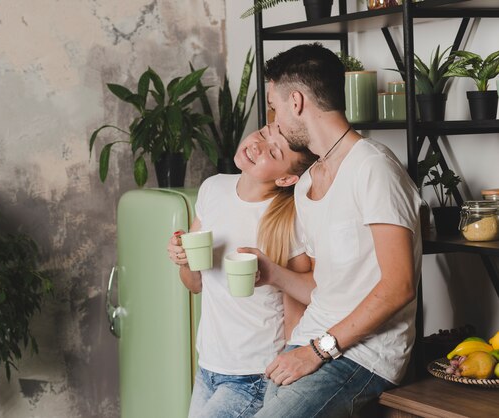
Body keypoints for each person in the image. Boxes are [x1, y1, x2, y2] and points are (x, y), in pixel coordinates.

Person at [238, 43, 423, 417]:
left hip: (362, 357)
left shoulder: (374, 168)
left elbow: (399, 286)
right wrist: (272, 273)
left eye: (274, 107)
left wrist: (318, 350)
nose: (272, 122)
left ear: (297, 102)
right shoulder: (307, 185)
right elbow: (328, 288)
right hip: (311, 343)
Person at [166, 126, 317, 418]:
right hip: (209, 364)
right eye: (263, 133)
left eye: (273, 152)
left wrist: (289, 366)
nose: (258, 145)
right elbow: (195, 284)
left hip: (254, 374)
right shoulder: (213, 188)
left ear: (286, 178)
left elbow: (302, 300)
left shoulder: (288, 217)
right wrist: (184, 259)